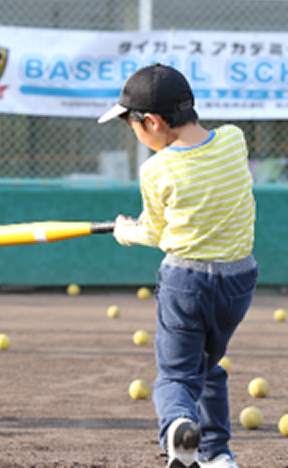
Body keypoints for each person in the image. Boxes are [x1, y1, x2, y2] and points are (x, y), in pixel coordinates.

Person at [99, 63, 257, 468]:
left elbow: (154, 233)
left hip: (186, 282)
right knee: (207, 365)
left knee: (175, 375)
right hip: (239, 281)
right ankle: (217, 455)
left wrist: (124, 231)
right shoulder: (234, 139)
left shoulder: (155, 170)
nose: (134, 132)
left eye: (133, 125)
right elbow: (201, 197)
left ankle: (178, 427)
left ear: (153, 122)